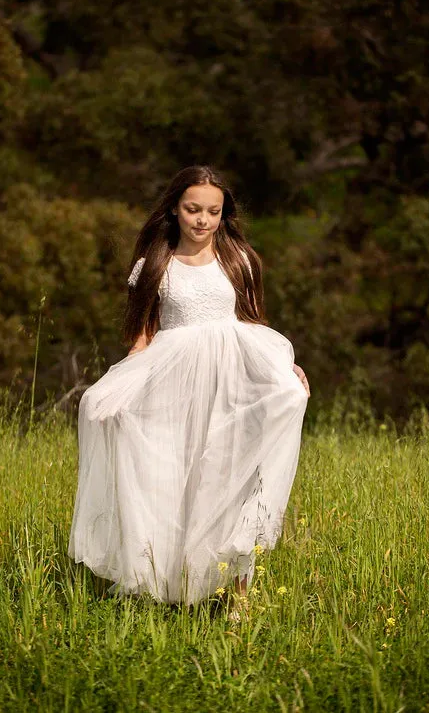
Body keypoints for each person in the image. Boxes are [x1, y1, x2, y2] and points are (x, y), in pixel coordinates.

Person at [68, 165, 309, 609]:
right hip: (172, 379)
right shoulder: (154, 265)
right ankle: (167, 587)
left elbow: (253, 323)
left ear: (224, 214)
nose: (202, 220)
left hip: (228, 379)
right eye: (193, 209)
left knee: (229, 480)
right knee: (173, 480)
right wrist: (115, 387)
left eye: (212, 212)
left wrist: (284, 367)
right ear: (175, 210)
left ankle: (237, 601)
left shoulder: (240, 259)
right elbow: (142, 337)